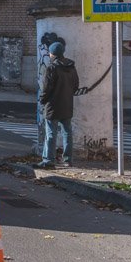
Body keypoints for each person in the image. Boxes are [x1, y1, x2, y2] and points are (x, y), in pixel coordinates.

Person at [38, 40, 80, 169]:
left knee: (51, 133)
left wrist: (42, 100)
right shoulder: (71, 67)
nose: (49, 55)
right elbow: (75, 85)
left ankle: (48, 160)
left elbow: (46, 88)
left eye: (50, 53)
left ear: (53, 54)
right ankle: (68, 159)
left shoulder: (51, 68)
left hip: (53, 105)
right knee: (67, 132)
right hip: (67, 104)